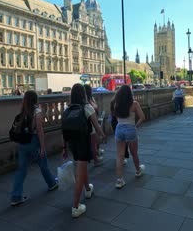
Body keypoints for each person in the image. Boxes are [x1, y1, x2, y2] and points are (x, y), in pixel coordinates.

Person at [62, 83, 105, 218]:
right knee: (80, 173)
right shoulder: (87, 107)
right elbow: (96, 127)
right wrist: (103, 136)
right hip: (83, 143)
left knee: (82, 167)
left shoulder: (67, 110)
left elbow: (63, 131)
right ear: (84, 94)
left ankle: (88, 189)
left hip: (72, 144)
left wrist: (64, 148)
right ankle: (76, 206)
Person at [10, 90, 58, 206]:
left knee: (21, 170)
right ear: (35, 99)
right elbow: (40, 131)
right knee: (43, 164)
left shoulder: (23, 112)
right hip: (34, 141)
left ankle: (16, 196)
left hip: (22, 143)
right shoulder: (37, 111)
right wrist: (42, 147)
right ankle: (51, 183)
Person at [113, 84, 146, 189]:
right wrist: (135, 126)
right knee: (134, 152)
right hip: (130, 128)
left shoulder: (116, 104)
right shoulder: (134, 104)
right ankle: (138, 170)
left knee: (120, 156)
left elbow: (116, 117)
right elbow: (142, 117)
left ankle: (119, 180)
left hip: (119, 128)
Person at [84, 84, 103, 166]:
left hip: (94, 121)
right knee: (93, 143)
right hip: (90, 124)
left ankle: (95, 155)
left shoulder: (91, 99)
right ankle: (95, 159)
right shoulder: (87, 102)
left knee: (94, 142)